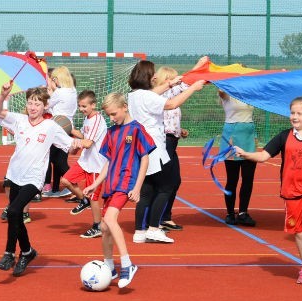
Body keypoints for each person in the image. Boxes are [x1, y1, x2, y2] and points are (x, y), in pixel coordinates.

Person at [234, 96, 302, 284]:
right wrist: (245, 153)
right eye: (292, 113)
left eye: (299, 113)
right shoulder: (284, 137)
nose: (294, 116)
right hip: (290, 192)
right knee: (299, 232)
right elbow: (263, 156)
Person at [0, 82, 79, 277]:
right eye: (30, 103)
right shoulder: (19, 120)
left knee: (14, 211)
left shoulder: (51, 126)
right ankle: (27, 252)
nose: (33, 107)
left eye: (37, 104)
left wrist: (82, 142)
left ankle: (8, 253)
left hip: (34, 178)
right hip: (15, 174)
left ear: (45, 106)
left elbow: (70, 145)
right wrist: (2, 95)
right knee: (15, 216)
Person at [82, 93, 156, 288]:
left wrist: (138, 187)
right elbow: (109, 161)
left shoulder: (137, 129)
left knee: (110, 219)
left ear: (124, 107)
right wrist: (96, 184)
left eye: (114, 114)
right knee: (105, 228)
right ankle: (109, 267)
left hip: (126, 183)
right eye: (109, 115)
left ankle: (127, 264)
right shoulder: (112, 132)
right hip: (111, 185)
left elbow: (145, 158)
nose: (112, 118)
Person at [127, 60, 204, 244]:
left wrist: (171, 83)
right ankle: (154, 228)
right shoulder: (148, 97)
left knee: (146, 192)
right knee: (166, 187)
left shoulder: (134, 96)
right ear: (147, 76)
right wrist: (192, 88)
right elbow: (171, 104)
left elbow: (153, 93)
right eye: (152, 73)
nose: (154, 76)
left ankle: (139, 231)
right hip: (155, 149)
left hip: (142, 149)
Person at [156, 59, 207, 231]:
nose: (175, 81)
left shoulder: (170, 95)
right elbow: (184, 84)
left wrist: (180, 130)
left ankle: (164, 216)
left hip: (172, 141)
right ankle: (158, 218)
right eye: (171, 79)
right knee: (166, 182)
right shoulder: (161, 95)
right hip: (164, 143)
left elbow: (169, 119)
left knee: (174, 181)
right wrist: (198, 68)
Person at [59, 90, 107, 238]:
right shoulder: (88, 118)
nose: (81, 109)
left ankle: (97, 226)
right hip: (85, 161)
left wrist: (73, 143)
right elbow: (83, 135)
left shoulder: (97, 120)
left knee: (94, 198)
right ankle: (83, 200)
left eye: (84, 106)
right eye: (79, 106)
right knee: (65, 180)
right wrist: (68, 128)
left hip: (96, 165)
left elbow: (87, 143)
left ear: (93, 105)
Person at [218, 90, 258, 227]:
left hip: (249, 135)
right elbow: (221, 88)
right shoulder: (226, 94)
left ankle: (243, 213)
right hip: (232, 135)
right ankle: (230, 213)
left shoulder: (250, 94)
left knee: (248, 179)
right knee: (232, 179)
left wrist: (278, 76)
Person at [42, 66, 77, 198]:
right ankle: (58, 188)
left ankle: (73, 186)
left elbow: (46, 106)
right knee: (58, 159)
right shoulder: (73, 91)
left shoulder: (59, 93)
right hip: (67, 127)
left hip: (57, 127)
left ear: (56, 79)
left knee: (54, 159)